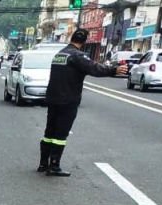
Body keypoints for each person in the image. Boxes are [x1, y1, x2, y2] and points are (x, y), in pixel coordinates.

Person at [39, 29, 126, 177]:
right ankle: (54, 166)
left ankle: (43, 164)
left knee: (49, 132)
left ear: (71, 38)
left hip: (53, 98)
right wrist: (114, 70)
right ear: (84, 42)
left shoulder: (60, 54)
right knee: (60, 134)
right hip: (67, 100)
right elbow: (94, 68)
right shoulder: (77, 55)